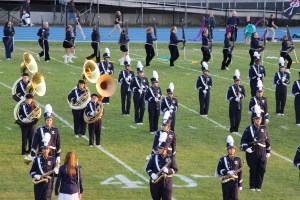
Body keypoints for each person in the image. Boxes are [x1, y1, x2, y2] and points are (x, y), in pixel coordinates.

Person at [240, 107, 271, 191]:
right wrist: (247, 148)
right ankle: (252, 186)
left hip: (262, 152)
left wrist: (268, 151)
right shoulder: (248, 129)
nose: (258, 121)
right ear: (253, 120)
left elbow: (267, 141)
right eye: (257, 119)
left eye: (259, 119)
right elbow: (243, 141)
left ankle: (259, 186)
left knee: (262, 169)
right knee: (253, 169)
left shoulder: (264, 129)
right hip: (252, 151)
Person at [29, 132, 59, 200]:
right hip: (38, 182)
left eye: (47, 149)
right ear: (42, 149)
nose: (46, 150)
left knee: (46, 198)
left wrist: (57, 172)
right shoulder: (37, 159)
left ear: (49, 150)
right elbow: (31, 172)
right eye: (44, 149)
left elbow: (55, 174)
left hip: (48, 183)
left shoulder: (52, 160)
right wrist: (36, 175)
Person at [216, 135, 243, 200]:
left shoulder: (238, 159)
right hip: (226, 182)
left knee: (235, 198)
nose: (232, 150)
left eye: (233, 149)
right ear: (227, 150)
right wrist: (227, 172)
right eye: (230, 149)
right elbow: (219, 171)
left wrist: (240, 184)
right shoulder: (222, 159)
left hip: (235, 183)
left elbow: (240, 173)